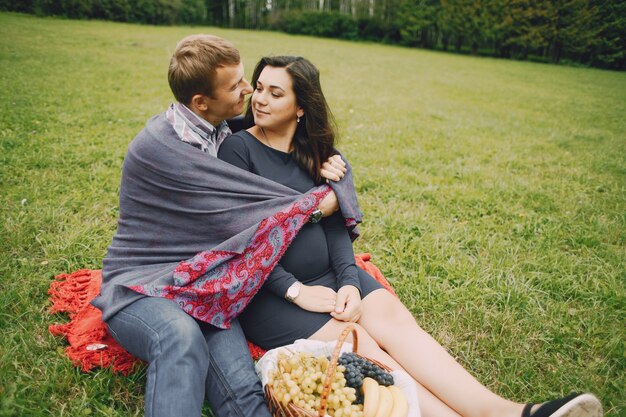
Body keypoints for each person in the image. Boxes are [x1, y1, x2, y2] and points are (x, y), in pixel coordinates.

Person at [216, 56, 604, 417]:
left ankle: (509, 411)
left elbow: (336, 226)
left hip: (333, 275)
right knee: (361, 346)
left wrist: (350, 280)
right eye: (260, 88)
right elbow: (240, 239)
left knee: (397, 324)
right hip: (271, 291)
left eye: (275, 92)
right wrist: (295, 290)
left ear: (301, 106)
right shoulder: (238, 151)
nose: (260, 100)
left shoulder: (318, 153)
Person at [92, 35, 348, 417]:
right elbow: (255, 216)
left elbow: (292, 136)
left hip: (207, 283)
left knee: (244, 391)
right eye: (237, 86)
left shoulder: (221, 128)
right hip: (145, 284)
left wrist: (336, 173)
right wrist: (321, 204)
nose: (250, 90)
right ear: (201, 102)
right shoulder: (163, 150)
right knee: (179, 339)